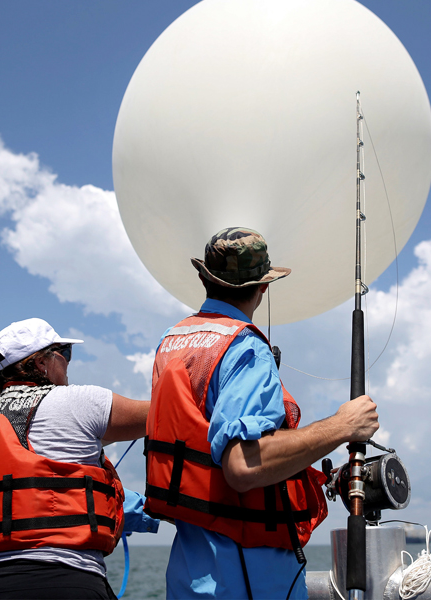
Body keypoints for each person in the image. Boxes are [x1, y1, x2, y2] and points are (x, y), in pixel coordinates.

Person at [145, 227, 380, 599]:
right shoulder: (245, 347)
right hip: (247, 580)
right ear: (264, 287)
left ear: (205, 279)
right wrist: (342, 425)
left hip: (188, 580)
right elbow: (243, 465)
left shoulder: (171, 340)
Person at [0, 318, 150, 600]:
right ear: (41, 363)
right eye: (65, 353)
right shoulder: (80, 401)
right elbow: (162, 414)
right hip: (57, 577)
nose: (68, 362)